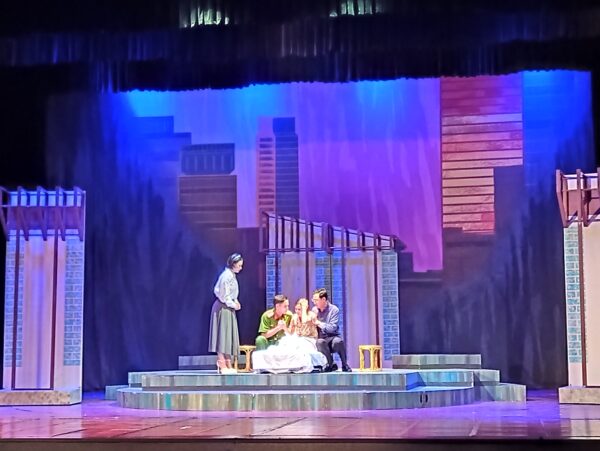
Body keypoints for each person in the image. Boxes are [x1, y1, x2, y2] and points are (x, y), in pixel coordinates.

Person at [252, 296, 326, 373]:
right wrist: (279, 328)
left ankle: (294, 366)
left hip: (307, 339)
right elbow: (289, 332)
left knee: (295, 345)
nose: (288, 308)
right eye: (285, 306)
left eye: (299, 309)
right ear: (277, 306)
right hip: (274, 340)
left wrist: (304, 309)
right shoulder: (268, 315)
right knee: (262, 340)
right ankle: (263, 367)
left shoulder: (309, 315)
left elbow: (304, 321)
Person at [208, 253, 243, 374]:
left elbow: (232, 294)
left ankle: (228, 362)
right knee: (222, 335)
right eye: (239, 265)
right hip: (223, 307)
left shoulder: (232, 275)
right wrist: (234, 304)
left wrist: (236, 301)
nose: (241, 268)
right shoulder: (226, 276)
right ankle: (221, 363)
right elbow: (224, 296)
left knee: (227, 336)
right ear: (233, 264)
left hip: (228, 308)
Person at [312, 288, 352, 372]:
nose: (314, 302)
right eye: (313, 300)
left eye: (316, 300)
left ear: (323, 299)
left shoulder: (334, 310)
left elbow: (332, 328)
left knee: (338, 342)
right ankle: (331, 364)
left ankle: (344, 364)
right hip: (321, 339)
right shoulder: (314, 310)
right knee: (319, 342)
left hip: (332, 337)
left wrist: (319, 323)